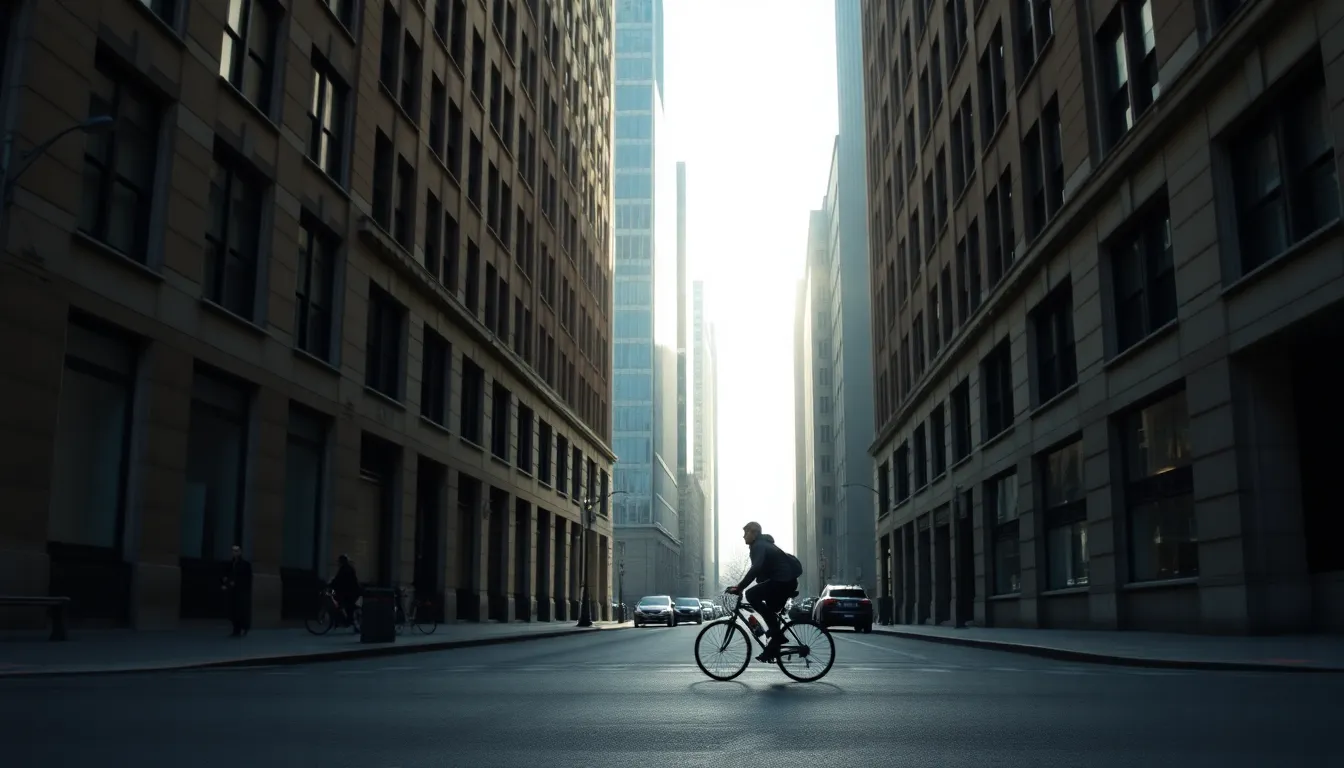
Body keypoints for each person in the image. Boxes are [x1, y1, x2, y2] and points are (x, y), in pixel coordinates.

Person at [726, 521, 802, 662]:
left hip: (783, 582)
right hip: (785, 582)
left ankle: (777, 636)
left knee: (751, 595)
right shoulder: (762, 545)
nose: (743, 536)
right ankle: (771, 650)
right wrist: (741, 586)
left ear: (754, 533)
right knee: (771, 615)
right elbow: (761, 574)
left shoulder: (759, 545)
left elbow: (755, 569)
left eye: (746, 532)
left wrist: (740, 587)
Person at [221, 544, 253, 637]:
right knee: (233, 611)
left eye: (236, 551)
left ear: (240, 552)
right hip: (233, 592)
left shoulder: (245, 565)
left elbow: (247, 579)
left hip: (241, 592)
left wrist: (237, 583)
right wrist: (226, 582)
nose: (234, 553)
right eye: (233, 551)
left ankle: (241, 629)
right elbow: (227, 575)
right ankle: (237, 630)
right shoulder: (231, 564)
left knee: (240, 611)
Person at [330, 554, 361, 627]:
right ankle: (346, 620)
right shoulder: (346, 568)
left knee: (347, 605)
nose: (338, 563)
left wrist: (331, 585)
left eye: (339, 561)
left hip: (352, 591)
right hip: (349, 590)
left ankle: (349, 621)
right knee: (342, 602)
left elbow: (339, 579)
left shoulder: (346, 569)